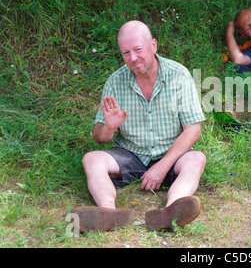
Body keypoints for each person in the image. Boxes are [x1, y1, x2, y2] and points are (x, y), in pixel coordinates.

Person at [72, 20, 207, 232]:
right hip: (130, 153)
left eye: (138, 50)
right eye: (126, 53)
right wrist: (108, 127)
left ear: (153, 45)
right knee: (92, 159)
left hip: (170, 154)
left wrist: (161, 167)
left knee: (196, 159)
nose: (133, 58)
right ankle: (108, 213)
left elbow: (193, 129)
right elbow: (99, 137)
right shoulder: (115, 82)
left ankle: (171, 212)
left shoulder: (179, 75)